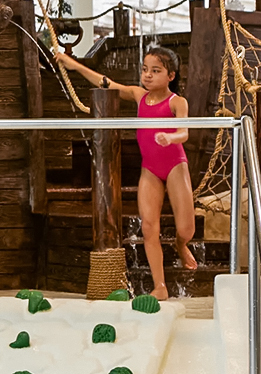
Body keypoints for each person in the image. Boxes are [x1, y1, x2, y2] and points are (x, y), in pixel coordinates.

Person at [55, 46, 197, 300]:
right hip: (150, 169)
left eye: (156, 71)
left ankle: (180, 244)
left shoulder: (177, 102)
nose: (148, 75)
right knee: (149, 228)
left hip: (175, 164)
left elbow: (185, 132)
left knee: (186, 228)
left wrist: (170, 136)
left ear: (171, 76)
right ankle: (160, 286)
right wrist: (73, 65)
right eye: (145, 70)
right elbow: (105, 83)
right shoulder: (138, 95)